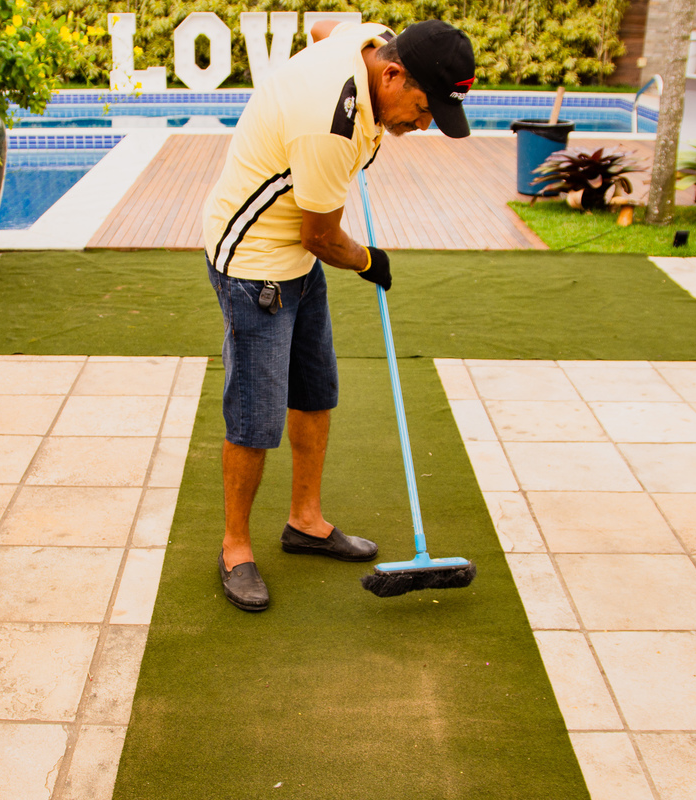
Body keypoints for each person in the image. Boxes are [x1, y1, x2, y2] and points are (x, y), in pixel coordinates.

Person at [202, 18, 476, 611]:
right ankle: (235, 548)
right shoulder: (333, 124)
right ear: (394, 75)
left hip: (298, 255)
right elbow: (324, 237)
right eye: (424, 109)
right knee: (255, 415)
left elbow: (329, 27)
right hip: (256, 259)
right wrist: (369, 258)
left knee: (316, 391)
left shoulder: (372, 39)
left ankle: (305, 521)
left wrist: (326, 75)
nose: (423, 124)